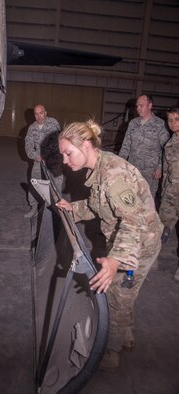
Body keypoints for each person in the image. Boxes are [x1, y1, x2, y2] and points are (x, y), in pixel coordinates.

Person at [56, 119, 163, 369]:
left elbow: (133, 222)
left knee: (116, 295)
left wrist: (116, 260)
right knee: (125, 293)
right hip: (128, 237)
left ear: (85, 145)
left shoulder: (113, 175)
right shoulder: (99, 168)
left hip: (139, 242)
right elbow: (98, 204)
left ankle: (109, 354)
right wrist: (74, 208)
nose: (64, 160)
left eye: (68, 153)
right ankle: (126, 336)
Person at [119, 94, 170, 199]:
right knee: (131, 198)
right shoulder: (133, 123)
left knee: (148, 200)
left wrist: (160, 168)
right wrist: (119, 163)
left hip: (150, 171)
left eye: (141, 106)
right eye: (137, 106)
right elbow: (126, 146)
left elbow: (165, 148)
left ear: (150, 105)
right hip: (133, 168)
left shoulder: (160, 125)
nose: (138, 108)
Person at [24, 104, 63, 218]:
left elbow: (57, 141)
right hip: (39, 160)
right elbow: (28, 147)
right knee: (34, 183)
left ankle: (57, 210)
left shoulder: (53, 123)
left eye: (41, 113)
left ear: (45, 113)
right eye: (36, 114)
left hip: (54, 159)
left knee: (56, 185)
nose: (39, 116)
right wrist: (37, 156)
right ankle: (34, 208)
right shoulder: (32, 128)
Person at [159, 106, 179, 281]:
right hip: (170, 196)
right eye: (170, 120)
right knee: (161, 229)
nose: (172, 123)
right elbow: (166, 171)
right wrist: (163, 189)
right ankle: (151, 259)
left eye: (176, 119)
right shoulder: (171, 142)